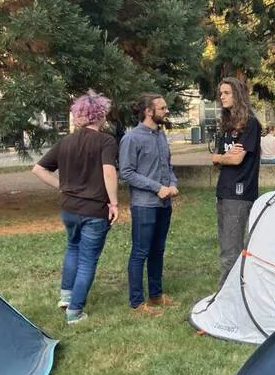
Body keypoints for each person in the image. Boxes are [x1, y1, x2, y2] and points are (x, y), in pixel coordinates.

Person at [31, 90, 119, 324]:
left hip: (69, 209)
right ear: (100, 115)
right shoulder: (106, 141)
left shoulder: (66, 141)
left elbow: (38, 169)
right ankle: (75, 312)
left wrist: (63, 187)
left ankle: (66, 296)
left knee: (73, 248)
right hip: (94, 210)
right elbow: (109, 172)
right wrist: (114, 202)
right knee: (88, 259)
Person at [118, 93, 179, 316]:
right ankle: (136, 302)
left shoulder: (161, 136)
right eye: (162, 108)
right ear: (148, 111)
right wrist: (157, 187)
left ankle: (156, 295)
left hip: (164, 204)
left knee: (158, 250)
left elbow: (168, 166)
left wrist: (172, 183)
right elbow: (126, 173)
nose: (166, 111)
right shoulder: (131, 138)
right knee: (140, 252)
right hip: (144, 205)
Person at [211, 78, 261, 287]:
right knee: (226, 247)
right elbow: (222, 158)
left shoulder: (250, 123)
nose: (221, 97)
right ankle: (233, 293)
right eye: (221, 93)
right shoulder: (227, 124)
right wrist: (222, 157)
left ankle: (227, 297)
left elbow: (235, 158)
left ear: (238, 95)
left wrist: (219, 158)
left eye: (226, 93)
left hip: (239, 193)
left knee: (231, 252)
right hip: (224, 190)